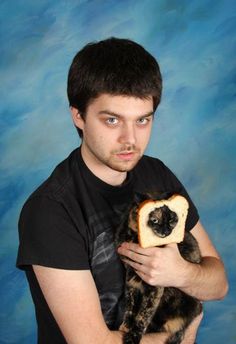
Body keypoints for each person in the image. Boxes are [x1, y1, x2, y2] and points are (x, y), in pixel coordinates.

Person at [16, 37, 228, 344]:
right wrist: (179, 337)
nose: (130, 139)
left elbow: (218, 284)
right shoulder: (51, 210)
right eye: (112, 120)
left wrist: (181, 274)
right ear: (78, 116)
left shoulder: (157, 174)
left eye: (142, 120)